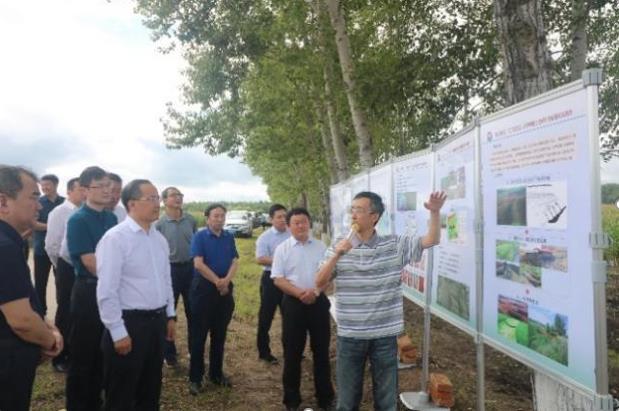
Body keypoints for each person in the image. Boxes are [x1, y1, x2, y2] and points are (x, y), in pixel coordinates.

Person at [315, 191, 446, 411]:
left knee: (386, 401)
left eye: (359, 210)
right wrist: (337, 255)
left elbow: (431, 240)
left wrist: (434, 212)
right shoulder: (339, 245)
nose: (353, 215)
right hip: (350, 334)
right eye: (352, 209)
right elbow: (319, 283)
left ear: (374, 216)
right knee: (347, 401)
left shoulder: (393, 245)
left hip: (384, 336)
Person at [96, 179, 176, 410]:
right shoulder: (115, 238)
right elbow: (107, 290)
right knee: (121, 393)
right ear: (131, 204)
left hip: (157, 322)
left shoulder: (158, 239)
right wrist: (117, 331)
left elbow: (166, 280)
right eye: (151, 199)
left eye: (157, 198)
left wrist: (170, 315)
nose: (157, 204)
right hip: (130, 324)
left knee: (150, 389)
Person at [0, 165, 63, 410]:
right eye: (33, 197)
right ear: (3, 202)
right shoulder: (4, 247)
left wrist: (44, 323)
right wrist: (50, 341)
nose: (39, 206)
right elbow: (22, 320)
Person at [272, 208, 335, 411]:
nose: (301, 226)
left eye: (304, 222)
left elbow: (328, 275)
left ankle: (325, 398)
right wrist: (300, 294)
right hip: (293, 305)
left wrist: (315, 292)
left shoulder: (321, 246)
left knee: (321, 352)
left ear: (309, 223)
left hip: (318, 303)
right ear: (289, 226)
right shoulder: (282, 249)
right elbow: (278, 279)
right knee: (292, 353)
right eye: (296, 222)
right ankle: (292, 400)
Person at [65, 166, 117, 411]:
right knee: (83, 353)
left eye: (109, 185)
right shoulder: (78, 220)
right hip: (88, 291)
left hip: (110, 290)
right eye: (101, 186)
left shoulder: (111, 218)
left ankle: (96, 400)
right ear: (85, 190)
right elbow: (89, 261)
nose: (107, 190)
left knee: (103, 351)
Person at [189, 204, 238, 395]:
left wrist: (226, 281)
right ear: (207, 218)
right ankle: (195, 378)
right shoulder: (200, 236)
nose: (219, 219)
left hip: (224, 289)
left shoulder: (229, 236)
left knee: (219, 334)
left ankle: (216, 374)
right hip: (204, 289)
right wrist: (218, 281)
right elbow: (198, 264)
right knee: (199, 336)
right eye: (216, 216)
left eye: (222, 216)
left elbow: (234, 261)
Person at [44, 177, 84, 372]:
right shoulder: (59, 212)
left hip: (82, 268)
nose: (84, 193)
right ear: (69, 191)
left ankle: (76, 351)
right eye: (80, 189)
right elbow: (52, 245)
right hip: (66, 266)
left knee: (80, 311)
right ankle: (59, 356)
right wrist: (60, 267)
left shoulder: (86, 212)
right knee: (65, 310)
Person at [155, 186, 197, 367]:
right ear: (164, 200)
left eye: (180, 195)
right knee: (169, 313)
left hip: (190, 268)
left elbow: (195, 243)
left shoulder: (191, 220)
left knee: (193, 311)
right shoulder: (159, 224)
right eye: (174, 195)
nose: (178, 198)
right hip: (169, 270)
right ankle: (169, 353)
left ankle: (194, 349)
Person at [255, 203, 289, 364]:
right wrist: (281, 260)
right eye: (279, 217)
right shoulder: (265, 237)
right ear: (271, 219)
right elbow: (260, 258)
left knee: (290, 316)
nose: (283, 219)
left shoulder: (292, 233)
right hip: (271, 279)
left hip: (290, 279)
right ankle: (264, 351)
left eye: (285, 216)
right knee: (266, 316)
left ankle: (291, 349)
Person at [32, 173, 65, 315]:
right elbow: (33, 223)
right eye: (42, 185)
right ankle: (41, 312)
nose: (44, 188)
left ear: (56, 185)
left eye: (47, 185)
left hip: (61, 251)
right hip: (41, 249)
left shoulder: (65, 203)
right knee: (40, 283)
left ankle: (62, 313)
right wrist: (53, 227)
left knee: (62, 284)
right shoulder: (38, 203)